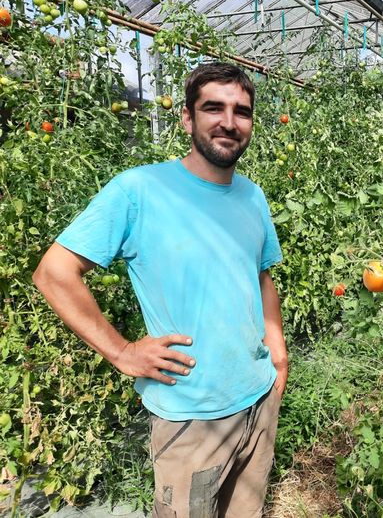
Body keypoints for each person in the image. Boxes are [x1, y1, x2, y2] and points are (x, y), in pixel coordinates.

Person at [32, 62, 288, 518]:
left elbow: (261, 275)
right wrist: (121, 351)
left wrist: (278, 355)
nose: (229, 122)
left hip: (259, 397)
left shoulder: (253, 196)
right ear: (187, 118)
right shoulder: (139, 191)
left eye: (241, 111)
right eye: (213, 108)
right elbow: (54, 273)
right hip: (192, 415)